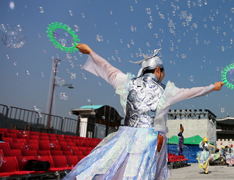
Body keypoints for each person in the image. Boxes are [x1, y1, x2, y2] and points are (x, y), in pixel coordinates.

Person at [64, 44, 223, 180]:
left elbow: (108, 69)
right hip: (151, 140)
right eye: (163, 73)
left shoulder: (128, 83)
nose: (163, 76)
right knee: (144, 173)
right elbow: (192, 92)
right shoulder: (166, 90)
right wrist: (212, 87)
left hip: (127, 136)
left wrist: (90, 52)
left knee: (119, 169)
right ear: (158, 70)